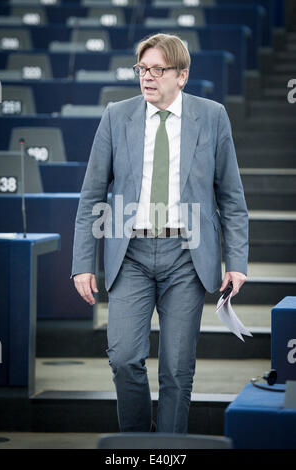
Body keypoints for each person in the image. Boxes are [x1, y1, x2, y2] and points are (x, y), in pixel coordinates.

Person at [71, 33, 248, 433]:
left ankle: (168, 450)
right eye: (142, 69)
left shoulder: (213, 116)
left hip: (186, 256)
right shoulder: (117, 116)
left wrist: (236, 262)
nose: (147, 77)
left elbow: (231, 198)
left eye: (157, 70)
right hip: (129, 254)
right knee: (124, 358)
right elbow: (92, 195)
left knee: (176, 368)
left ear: (181, 76)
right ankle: (136, 446)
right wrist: (83, 263)